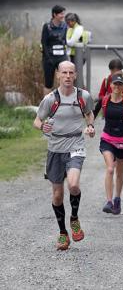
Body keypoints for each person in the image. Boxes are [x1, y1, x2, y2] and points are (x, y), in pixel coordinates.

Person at [33, 61, 95, 250]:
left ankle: (74, 218)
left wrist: (90, 126)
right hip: (55, 148)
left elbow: (89, 114)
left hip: (75, 144)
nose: (67, 76)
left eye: (71, 73)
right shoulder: (50, 99)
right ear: (58, 75)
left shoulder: (83, 96)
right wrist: (42, 127)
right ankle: (62, 233)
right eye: (64, 73)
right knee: (58, 195)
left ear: (75, 75)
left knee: (74, 184)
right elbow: (37, 120)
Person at [99, 74, 123, 214]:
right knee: (110, 169)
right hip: (107, 139)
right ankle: (109, 202)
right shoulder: (104, 100)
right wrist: (90, 126)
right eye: (115, 84)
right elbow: (90, 113)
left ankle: (117, 199)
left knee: (119, 172)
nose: (117, 86)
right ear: (110, 85)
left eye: (120, 84)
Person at [41, 5, 67, 95]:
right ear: (54, 14)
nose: (63, 16)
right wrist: (48, 58)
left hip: (62, 56)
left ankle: (64, 103)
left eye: (63, 13)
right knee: (49, 83)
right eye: (61, 14)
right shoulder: (47, 26)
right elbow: (44, 43)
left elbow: (65, 41)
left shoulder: (65, 25)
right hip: (50, 57)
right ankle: (47, 105)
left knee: (65, 80)